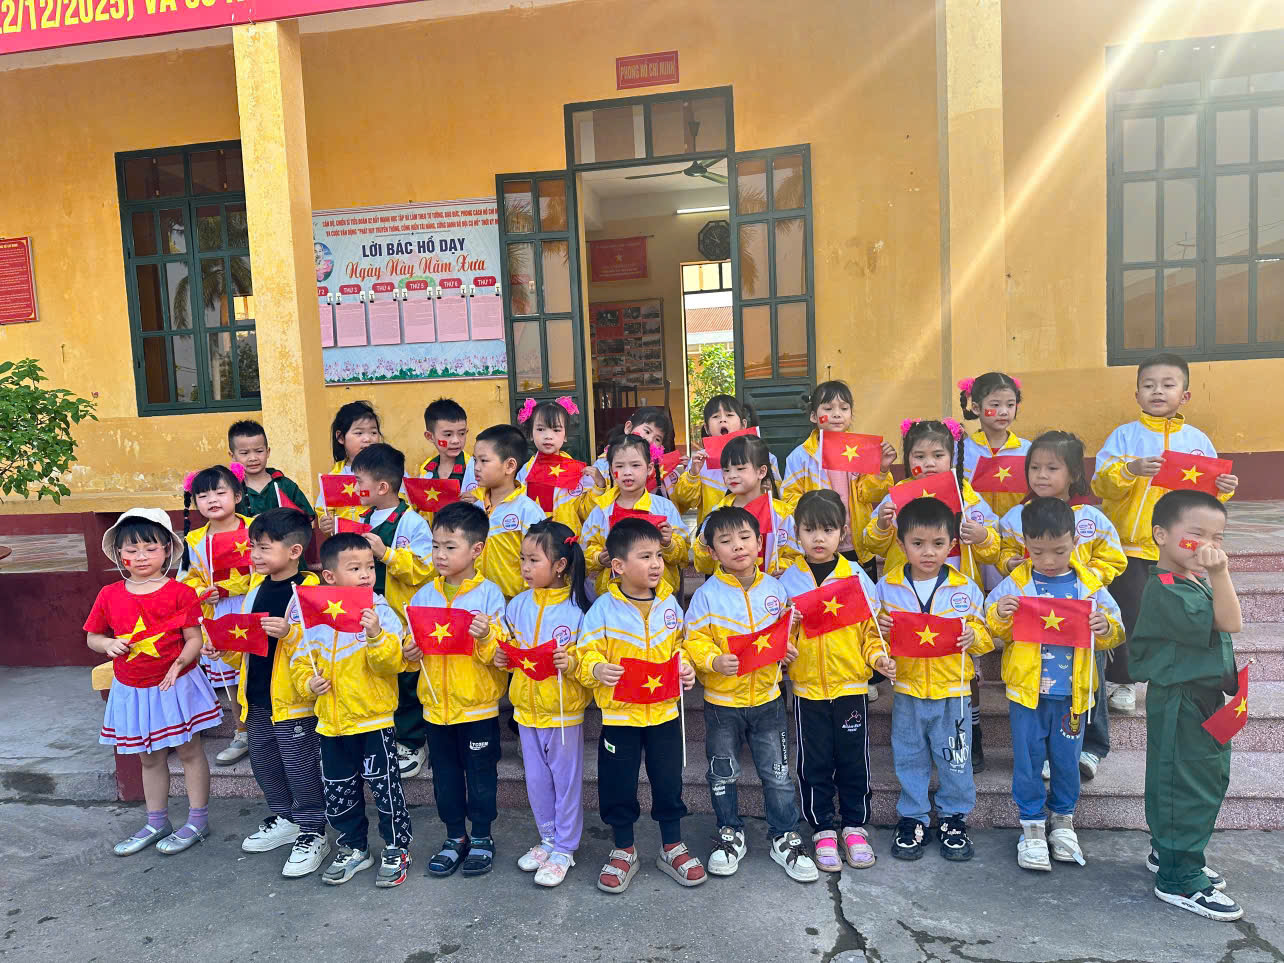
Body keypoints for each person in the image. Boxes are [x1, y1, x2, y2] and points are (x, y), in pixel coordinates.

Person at [1092, 353, 1237, 713]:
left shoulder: (1197, 440)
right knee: (1130, 613)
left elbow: (1206, 497)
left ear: (1184, 395)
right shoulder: (1124, 437)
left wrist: (1223, 489)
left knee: (1181, 612)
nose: (1157, 391)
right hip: (1130, 547)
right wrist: (1130, 469)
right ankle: (1122, 681)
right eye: (1149, 385)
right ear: (1137, 394)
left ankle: (1179, 673)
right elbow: (1101, 484)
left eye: (1167, 385)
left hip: (1181, 551)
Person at [985, 497, 1124, 872]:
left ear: (1075, 541)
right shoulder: (1017, 583)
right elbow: (991, 623)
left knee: (1065, 761)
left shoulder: (1088, 585)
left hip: (1072, 695)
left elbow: (1115, 629)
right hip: (1026, 694)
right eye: (1038, 551)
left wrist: (1105, 628)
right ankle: (1031, 826)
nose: (1048, 560)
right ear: (1025, 544)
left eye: (1059, 551)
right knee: (1028, 760)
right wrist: (1000, 614)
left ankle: (1063, 821)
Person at [686, 506, 817, 882]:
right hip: (721, 704)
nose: (738, 546)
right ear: (712, 551)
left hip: (768, 700)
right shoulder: (706, 596)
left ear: (760, 543)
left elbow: (786, 635)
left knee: (777, 774)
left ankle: (784, 835)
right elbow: (694, 640)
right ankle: (729, 832)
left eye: (745, 538)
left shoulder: (776, 590)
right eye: (726, 541)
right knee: (722, 773)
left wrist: (788, 648)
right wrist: (713, 661)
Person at [1131, 490, 1244, 921]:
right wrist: (1221, 572)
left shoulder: (1187, 581)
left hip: (1199, 697)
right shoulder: (1166, 589)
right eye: (1196, 535)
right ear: (1161, 535)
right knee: (1186, 783)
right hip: (1182, 699)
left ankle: (1170, 852)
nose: (1209, 547)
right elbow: (1231, 621)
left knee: (1194, 776)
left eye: (1218, 538)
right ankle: (1179, 878)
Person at [576, 518, 705, 893]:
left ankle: (672, 846)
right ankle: (623, 849)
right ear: (618, 566)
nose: (656, 564)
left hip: (664, 714)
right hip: (620, 717)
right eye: (645, 556)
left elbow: (681, 647)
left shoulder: (669, 604)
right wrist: (596, 668)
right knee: (618, 784)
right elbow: (584, 654)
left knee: (668, 781)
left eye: (659, 556)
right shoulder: (603, 609)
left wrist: (686, 668)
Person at [863, 417, 1001, 768]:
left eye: (938, 455)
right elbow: (870, 545)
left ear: (952, 457)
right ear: (907, 458)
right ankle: (915, 737)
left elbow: (993, 547)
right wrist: (882, 524)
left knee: (964, 667)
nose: (928, 463)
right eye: (919, 455)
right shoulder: (898, 494)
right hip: (910, 595)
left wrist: (982, 536)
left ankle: (971, 733)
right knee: (913, 662)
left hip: (954, 594)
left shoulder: (965, 493)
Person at [86, 508, 220, 856]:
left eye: (150, 548)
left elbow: (193, 638)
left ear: (167, 550)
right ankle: (156, 822)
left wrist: (180, 663)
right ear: (119, 554)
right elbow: (93, 637)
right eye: (132, 550)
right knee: (148, 757)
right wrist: (107, 644)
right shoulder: (109, 594)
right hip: (132, 688)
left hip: (176, 686)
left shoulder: (180, 593)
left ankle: (198, 820)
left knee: (189, 751)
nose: (142, 556)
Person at [202, 507, 328, 877]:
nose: (254, 555)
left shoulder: (311, 592)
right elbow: (247, 644)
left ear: (294, 551)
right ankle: (286, 817)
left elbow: (321, 646)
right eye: (252, 547)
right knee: (264, 762)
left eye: (263, 548)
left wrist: (289, 633)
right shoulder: (255, 590)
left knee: (300, 766)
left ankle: (313, 830)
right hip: (256, 696)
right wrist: (223, 649)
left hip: (294, 701)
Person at [998, 431, 1127, 780]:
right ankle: (1041, 752)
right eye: (1035, 467)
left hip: (1082, 619)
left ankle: (1091, 746)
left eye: (1052, 468)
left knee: (1088, 679)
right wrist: (1009, 563)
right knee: (1039, 685)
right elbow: (1002, 551)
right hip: (1035, 621)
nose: (1041, 475)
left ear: (1073, 473)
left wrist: (1087, 580)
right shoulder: (1016, 516)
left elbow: (1115, 558)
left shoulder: (1091, 516)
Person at [290, 533, 412, 887]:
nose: (365, 575)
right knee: (339, 791)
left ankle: (396, 847)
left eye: (369, 567)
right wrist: (308, 684)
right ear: (329, 576)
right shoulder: (314, 615)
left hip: (373, 720)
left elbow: (393, 664)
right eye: (355, 568)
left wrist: (375, 635)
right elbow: (301, 662)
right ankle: (353, 847)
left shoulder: (381, 612)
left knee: (386, 789)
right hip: (331, 724)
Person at [874, 497, 992, 862]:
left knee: (956, 758)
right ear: (901, 544)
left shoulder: (965, 588)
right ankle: (913, 817)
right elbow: (872, 635)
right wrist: (881, 633)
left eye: (938, 543)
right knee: (909, 756)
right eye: (918, 543)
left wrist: (974, 636)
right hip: (907, 690)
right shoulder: (887, 587)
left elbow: (985, 633)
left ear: (952, 544)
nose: (928, 552)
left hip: (953, 692)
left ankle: (954, 817)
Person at [402, 501, 509, 879]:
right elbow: (410, 649)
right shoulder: (423, 595)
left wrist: (486, 636)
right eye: (435, 546)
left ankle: (481, 836)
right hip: (436, 708)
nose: (440, 555)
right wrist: (409, 653)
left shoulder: (490, 595)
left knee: (481, 777)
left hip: (477, 707)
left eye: (450, 546)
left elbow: (501, 655)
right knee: (445, 779)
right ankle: (454, 837)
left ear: (477, 549)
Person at [779, 491, 880, 872]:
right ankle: (822, 828)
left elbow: (872, 632)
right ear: (797, 533)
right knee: (815, 762)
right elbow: (779, 637)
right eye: (810, 530)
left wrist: (877, 659)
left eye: (828, 529)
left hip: (851, 687)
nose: (818, 538)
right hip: (808, 690)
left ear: (843, 532)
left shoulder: (856, 577)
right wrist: (786, 642)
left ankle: (854, 826)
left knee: (853, 760)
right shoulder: (787, 581)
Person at [497, 519, 592, 887]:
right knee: (536, 781)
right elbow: (508, 648)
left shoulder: (578, 609)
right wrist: (501, 655)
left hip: (563, 713)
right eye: (522, 559)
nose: (524, 567)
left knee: (565, 783)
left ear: (560, 565)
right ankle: (548, 839)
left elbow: (590, 656)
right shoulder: (518, 605)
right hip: (526, 710)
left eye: (533, 560)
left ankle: (565, 848)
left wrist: (573, 662)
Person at [350, 442, 434, 779]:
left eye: (360, 482)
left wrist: (387, 554)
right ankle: (383, 736)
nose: (355, 487)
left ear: (383, 486)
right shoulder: (362, 518)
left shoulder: (412, 523)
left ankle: (412, 741)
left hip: (402, 614)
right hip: (369, 613)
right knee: (379, 673)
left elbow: (425, 568)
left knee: (407, 677)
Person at [783, 381, 897, 577]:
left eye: (844, 408)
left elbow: (872, 495)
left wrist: (882, 469)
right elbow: (789, 500)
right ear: (813, 416)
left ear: (851, 414)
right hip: (818, 545)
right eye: (828, 408)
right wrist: (813, 519)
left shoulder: (862, 451)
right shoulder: (800, 457)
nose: (837, 414)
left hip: (856, 545)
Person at [179, 463, 252, 764]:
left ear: (237, 495)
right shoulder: (194, 540)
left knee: (261, 668)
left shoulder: (256, 528)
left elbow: (271, 565)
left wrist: (236, 586)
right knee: (230, 677)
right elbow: (187, 578)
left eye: (220, 492)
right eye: (203, 495)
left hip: (253, 605)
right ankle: (242, 732)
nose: (212, 500)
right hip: (218, 611)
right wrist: (202, 591)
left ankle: (276, 730)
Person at [583, 434, 689, 598]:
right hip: (614, 596)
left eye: (635, 465)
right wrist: (598, 558)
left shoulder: (663, 508)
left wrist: (669, 544)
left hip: (657, 595)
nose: (627, 472)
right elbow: (585, 548)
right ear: (611, 471)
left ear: (649, 468)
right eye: (619, 466)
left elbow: (683, 554)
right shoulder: (601, 510)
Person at [692, 434, 799, 577]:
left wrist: (784, 570)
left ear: (761, 471)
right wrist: (703, 542)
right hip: (729, 588)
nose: (731, 475)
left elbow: (795, 556)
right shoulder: (717, 513)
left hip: (770, 588)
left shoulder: (781, 513)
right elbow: (703, 566)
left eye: (740, 468)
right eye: (726, 470)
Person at [466, 424, 547, 600]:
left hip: (516, 601)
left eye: (484, 461)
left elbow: (539, 560)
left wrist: (524, 600)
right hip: (477, 599)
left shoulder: (527, 511)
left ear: (510, 466)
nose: (476, 467)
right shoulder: (474, 507)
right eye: (474, 460)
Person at [672, 395, 781, 525]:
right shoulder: (699, 462)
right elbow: (685, 501)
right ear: (707, 428)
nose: (723, 420)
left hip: (755, 529)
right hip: (713, 530)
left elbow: (778, 496)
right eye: (716, 416)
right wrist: (693, 474)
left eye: (729, 415)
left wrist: (768, 488)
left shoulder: (763, 456)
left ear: (743, 424)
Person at [516, 397, 601, 531]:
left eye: (556, 430)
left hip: (567, 539)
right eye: (540, 429)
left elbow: (585, 512)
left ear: (565, 435)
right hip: (534, 539)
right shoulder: (525, 472)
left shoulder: (577, 471)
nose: (548, 436)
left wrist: (599, 487)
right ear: (531, 434)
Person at [957, 372, 1030, 523]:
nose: (1004, 411)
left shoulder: (1027, 450)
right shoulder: (962, 450)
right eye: (995, 405)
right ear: (976, 408)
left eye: (1010, 405)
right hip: (975, 530)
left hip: (1018, 531)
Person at [227, 420, 314, 518]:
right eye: (244, 453)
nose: (253, 458)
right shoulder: (230, 489)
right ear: (232, 456)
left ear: (268, 452)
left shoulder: (285, 485)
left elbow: (308, 519)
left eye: (259, 451)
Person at [316, 400, 382, 530]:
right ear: (340, 437)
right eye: (359, 433)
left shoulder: (390, 469)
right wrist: (325, 522)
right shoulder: (334, 477)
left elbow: (404, 505)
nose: (368, 439)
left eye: (373, 432)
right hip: (348, 540)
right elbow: (323, 511)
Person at [417, 397, 476, 499]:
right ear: (430, 436)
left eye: (462, 433)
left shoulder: (474, 467)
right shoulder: (426, 468)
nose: (456, 440)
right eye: (448, 434)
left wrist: (478, 498)